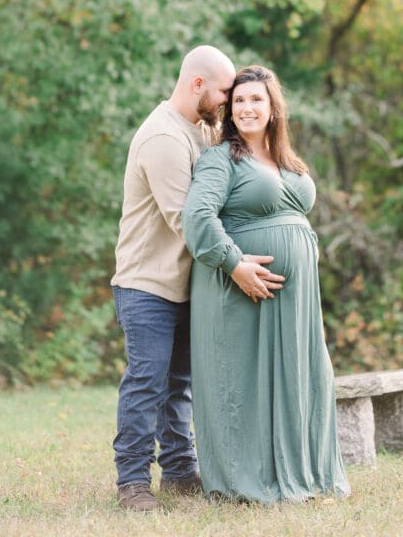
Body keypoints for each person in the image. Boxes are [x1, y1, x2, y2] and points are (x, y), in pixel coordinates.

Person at [110, 45, 281, 512]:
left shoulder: (202, 130)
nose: (230, 101)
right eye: (226, 92)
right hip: (147, 284)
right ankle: (132, 482)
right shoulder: (163, 138)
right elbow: (188, 222)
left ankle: (180, 471)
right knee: (148, 382)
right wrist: (236, 264)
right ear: (198, 85)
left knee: (179, 383)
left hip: (187, 284)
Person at [182, 64, 351, 504]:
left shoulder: (288, 161)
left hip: (297, 298)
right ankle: (247, 478)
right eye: (239, 100)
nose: (246, 107)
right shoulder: (221, 159)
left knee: (304, 376)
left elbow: (293, 217)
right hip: (241, 292)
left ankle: (309, 473)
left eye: (256, 99)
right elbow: (197, 219)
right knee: (247, 383)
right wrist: (234, 264)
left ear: (273, 107)